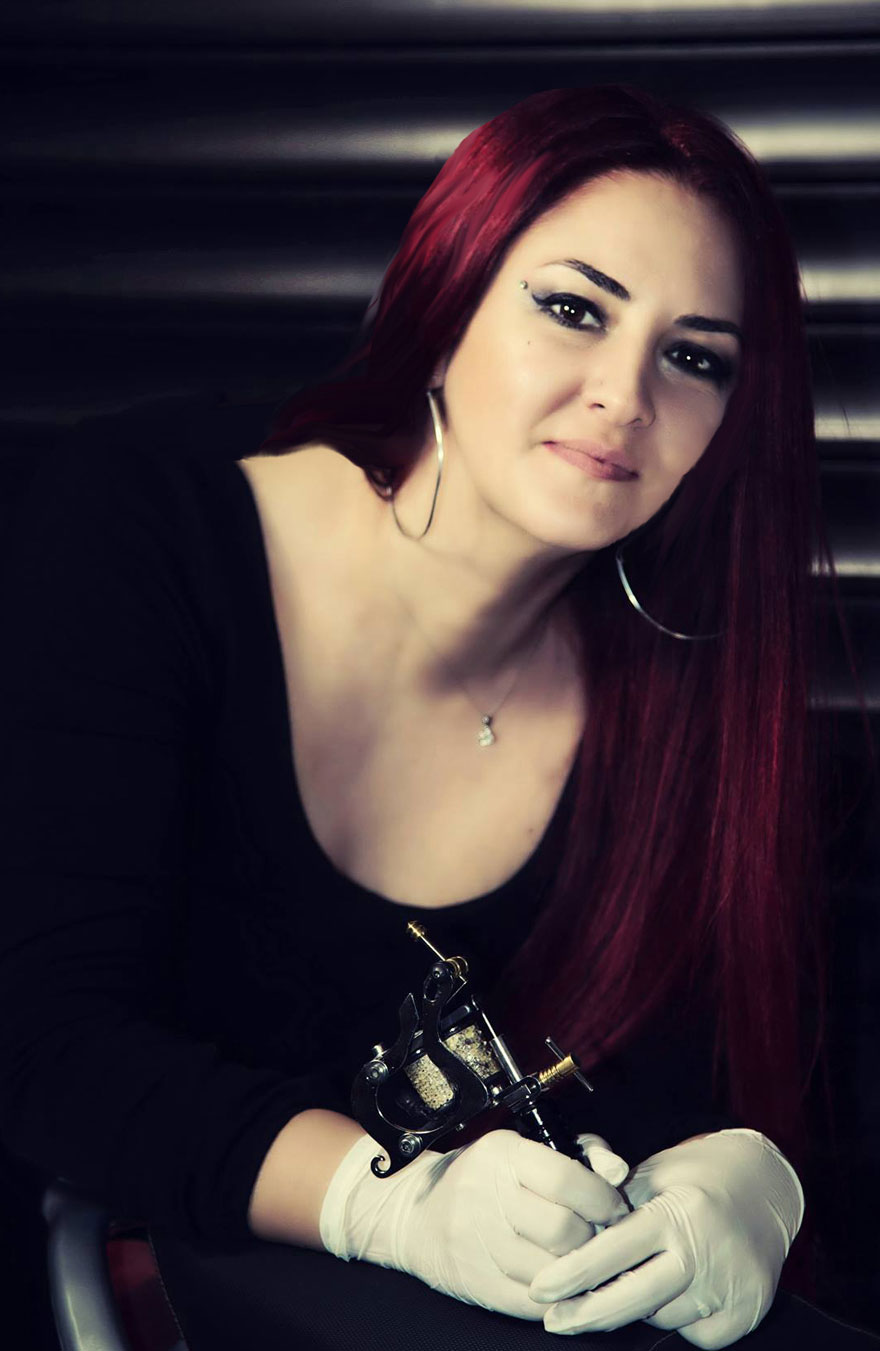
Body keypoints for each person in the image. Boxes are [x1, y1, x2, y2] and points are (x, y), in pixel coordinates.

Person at [0, 85, 875, 1351]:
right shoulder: (144, 525)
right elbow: (45, 1042)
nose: (624, 395)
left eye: (694, 357)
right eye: (572, 308)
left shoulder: (686, 695)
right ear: (448, 294)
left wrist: (755, 1176)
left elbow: (689, 1086)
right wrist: (383, 1205)